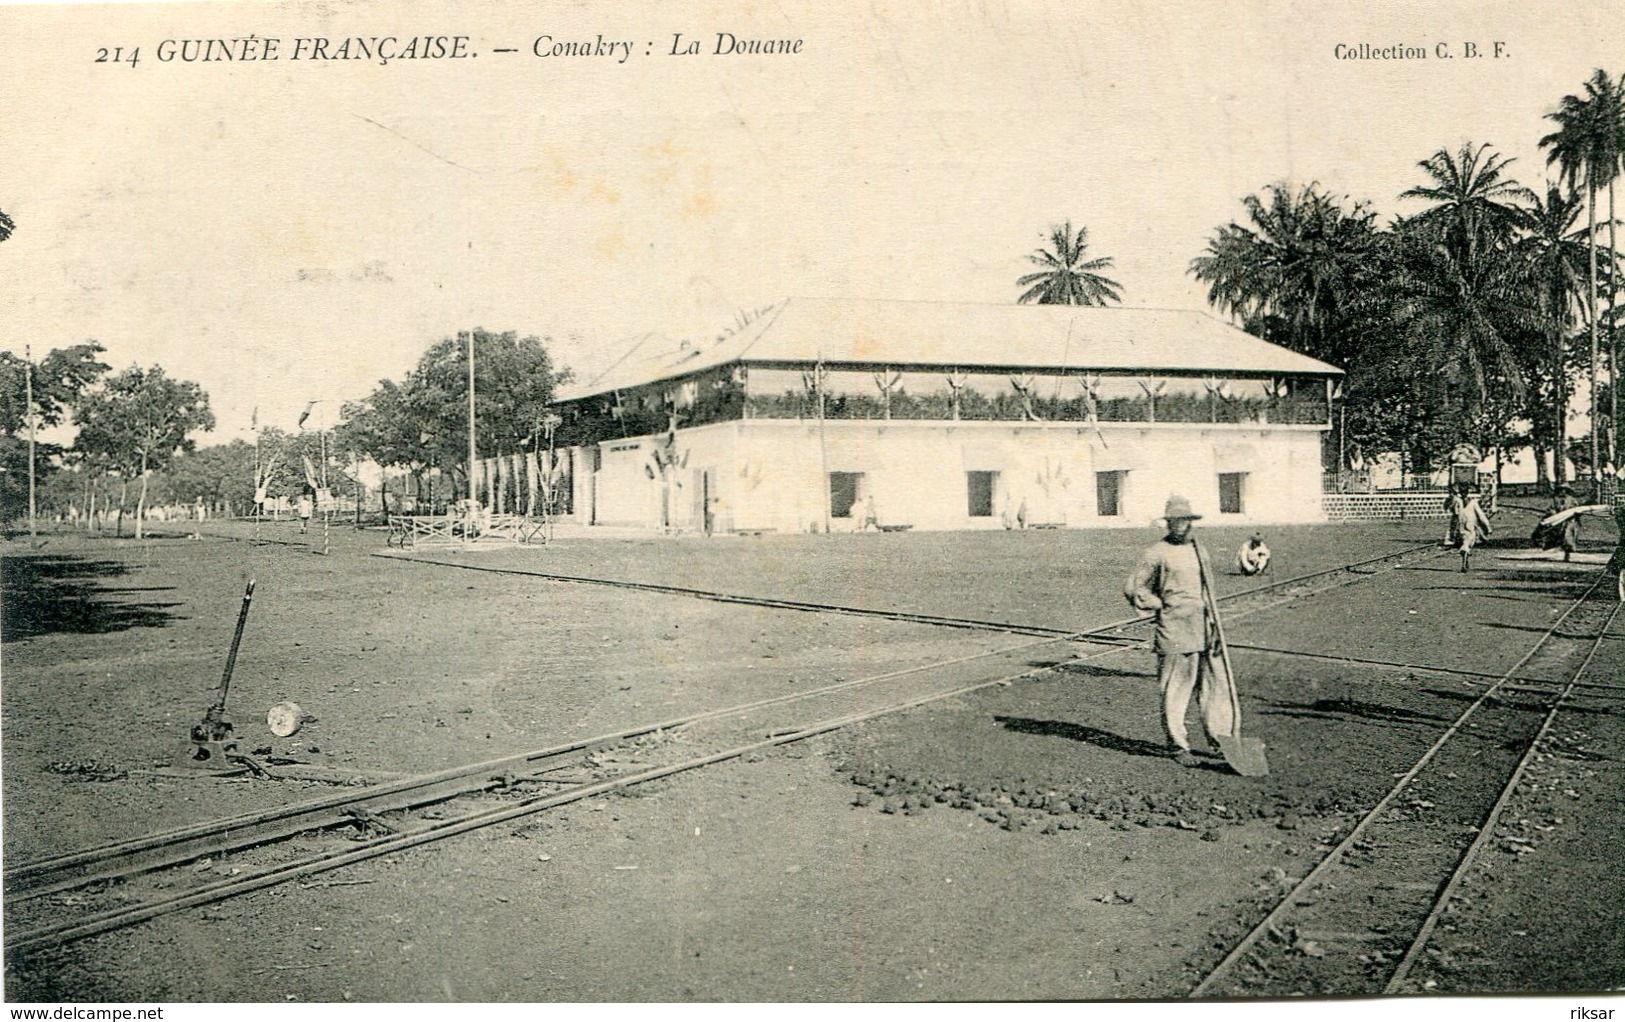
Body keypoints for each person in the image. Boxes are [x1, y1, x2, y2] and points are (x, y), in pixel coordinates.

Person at [1124, 495, 1235, 767]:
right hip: (1174, 629)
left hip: (1206, 628)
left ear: (1190, 521)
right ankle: (1178, 745)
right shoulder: (1156, 552)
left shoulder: (1200, 549)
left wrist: (1215, 626)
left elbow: (1208, 590)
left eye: (1183, 520)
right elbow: (1134, 588)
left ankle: (1222, 741)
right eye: (1173, 521)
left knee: (1215, 687)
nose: (1178, 525)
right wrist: (1159, 604)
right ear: (1167, 523)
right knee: (1176, 689)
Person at [1454, 487, 1492, 572]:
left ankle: (1465, 560)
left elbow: (1455, 513)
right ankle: (1464, 561)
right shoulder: (1471, 503)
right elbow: (1481, 515)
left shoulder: (1461, 502)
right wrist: (1488, 526)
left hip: (1462, 526)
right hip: (1469, 526)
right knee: (1468, 543)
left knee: (1466, 542)